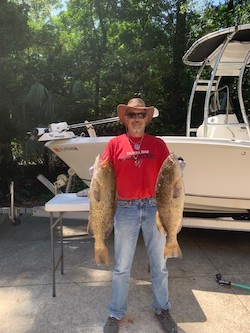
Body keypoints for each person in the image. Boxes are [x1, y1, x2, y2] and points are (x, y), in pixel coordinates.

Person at [102, 97, 178, 333]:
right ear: (125, 119)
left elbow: (171, 174)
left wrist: (177, 178)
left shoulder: (158, 144)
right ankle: (115, 313)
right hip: (125, 208)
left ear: (146, 119)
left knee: (160, 265)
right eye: (132, 115)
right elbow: (103, 176)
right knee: (122, 267)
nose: (136, 119)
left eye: (141, 115)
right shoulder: (114, 144)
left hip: (155, 207)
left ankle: (162, 309)